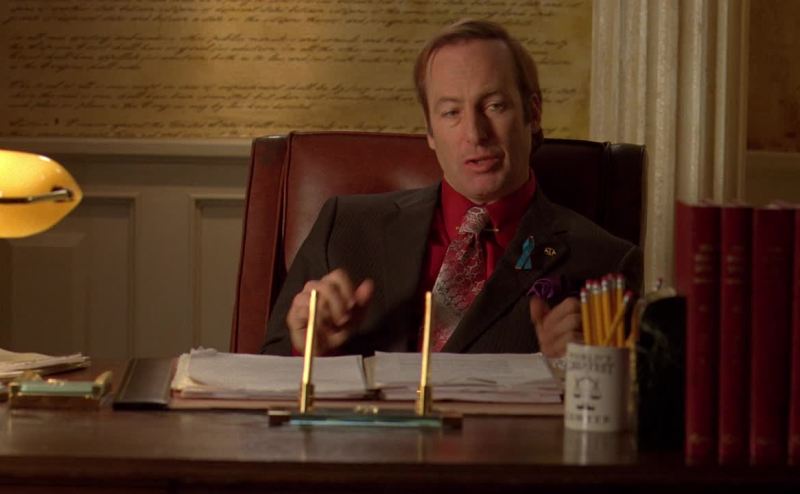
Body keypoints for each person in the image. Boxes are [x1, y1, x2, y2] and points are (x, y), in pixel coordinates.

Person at [262, 19, 642, 357]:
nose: (475, 134)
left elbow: (636, 400)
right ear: (430, 131)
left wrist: (580, 369)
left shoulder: (605, 263)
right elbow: (267, 371)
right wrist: (308, 348)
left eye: (494, 106)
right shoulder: (344, 228)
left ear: (534, 113)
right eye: (451, 113)